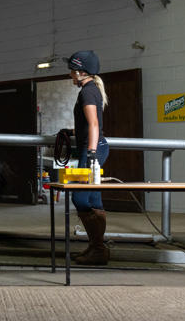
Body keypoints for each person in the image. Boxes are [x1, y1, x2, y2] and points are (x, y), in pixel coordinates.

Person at [68, 50, 110, 265]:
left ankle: (98, 248)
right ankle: (97, 249)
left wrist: (91, 154)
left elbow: (94, 124)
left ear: (80, 71)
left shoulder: (87, 92)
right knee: (93, 199)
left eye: (72, 72)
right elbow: (89, 125)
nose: (71, 76)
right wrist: (70, 132)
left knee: (80, 197)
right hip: (94, 146)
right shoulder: (91, 89)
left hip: (93, 149)